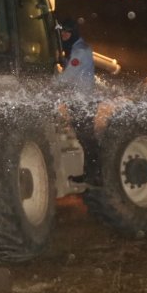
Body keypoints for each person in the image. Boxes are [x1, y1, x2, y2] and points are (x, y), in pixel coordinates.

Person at [54, 20, 99, 176]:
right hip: (79, 100)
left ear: (74, 33)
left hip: (83, 102)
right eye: (62, 32)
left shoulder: (80, 51)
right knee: (84, 139)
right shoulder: (74, 48)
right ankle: (91, 173)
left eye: (67, 32)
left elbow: (68, 76)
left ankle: (95, 175)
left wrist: (48, 86)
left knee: (87, 139)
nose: (64, 35)